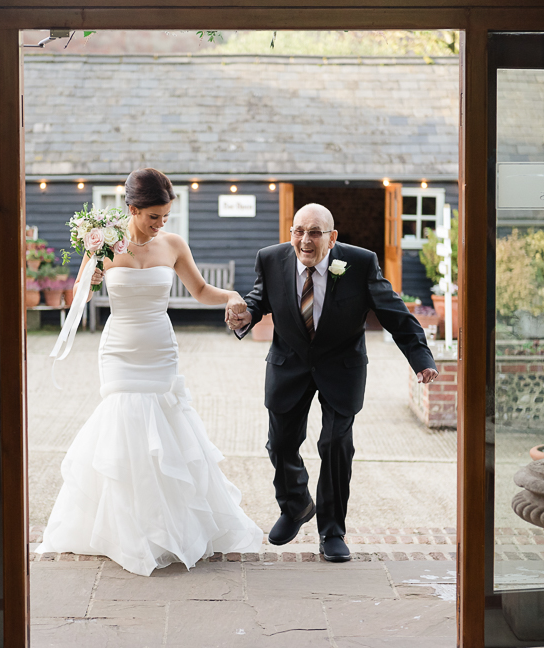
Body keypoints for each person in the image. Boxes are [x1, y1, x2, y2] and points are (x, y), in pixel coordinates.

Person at [36, 168, 263, 576]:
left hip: (159, 347)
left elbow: (200, 291)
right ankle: (125, 530)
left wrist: (231, 295)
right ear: (131, 209)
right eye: (153, 217)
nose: (160, 224)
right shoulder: (103, 241)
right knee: (122, 425)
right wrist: (92, 274)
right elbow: (77, 297)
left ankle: (171, 527)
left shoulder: (172, 244)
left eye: (165, 216)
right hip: (119, 349)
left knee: (166, 428)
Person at [228, 203, 438, 562]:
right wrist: (244, 313)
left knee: (336, 445)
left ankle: (332, 530)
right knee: (280, 444)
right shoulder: (270, 258)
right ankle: (295, 505)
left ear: (332, 237)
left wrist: (421, 358)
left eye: (314, 233)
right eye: (298, 231)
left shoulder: (359, 262)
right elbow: (260, 299)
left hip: (341, 367)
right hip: (289, 364)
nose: (304, 241)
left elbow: (395, 314)